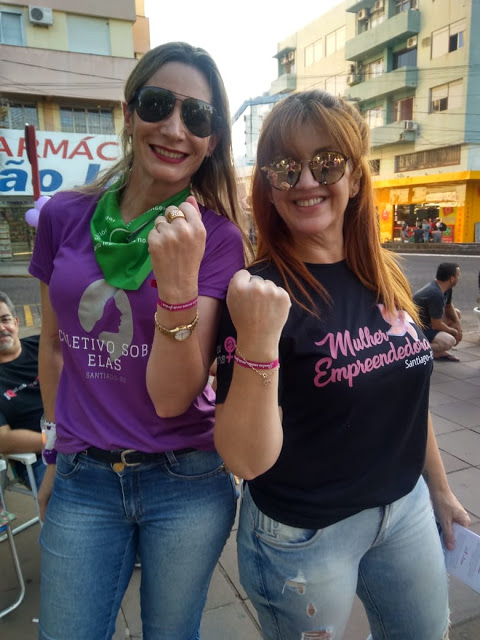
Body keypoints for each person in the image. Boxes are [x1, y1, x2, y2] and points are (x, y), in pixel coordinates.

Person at [213, 90, 470, 640]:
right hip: (304, 534)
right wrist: (258, 341)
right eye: (286, 167)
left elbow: (408, 400)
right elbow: (244, 461)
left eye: (326, 162)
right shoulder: (258, 294)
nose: (306, 180)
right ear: (270, 188)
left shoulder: (384, 274)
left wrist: (440, 489)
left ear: (354, 177)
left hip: (404, 507)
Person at [29, 42, 247, 640]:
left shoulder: (216, 239)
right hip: (84, 475)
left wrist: (177, 285)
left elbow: (175, 397)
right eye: (157, 105)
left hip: (184, 479)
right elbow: (53, 347)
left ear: (211, 139)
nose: (175, 129)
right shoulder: (63, 216)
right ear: (128, 114)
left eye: (197, 116)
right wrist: (53, 453)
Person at [0, 291, 46, 489]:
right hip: (41, 458)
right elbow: (3, 440)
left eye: (5, 319)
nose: (1, 328)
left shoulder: (44, 346)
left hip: (88, 440)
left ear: (16, 322)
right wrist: (55, 440)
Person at [413, 262, 463, 362]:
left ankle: (438, 352)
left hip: (429, 321)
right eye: (458, 275)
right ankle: (415, 351)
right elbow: (436, 325)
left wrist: (458, 325)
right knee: (449, 341)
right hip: (419, 328)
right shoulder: (435, 294)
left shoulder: (446, 288)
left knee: (456, 313)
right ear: (452, 279)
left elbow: (448, 307)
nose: (459, 278)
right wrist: (454, 332)